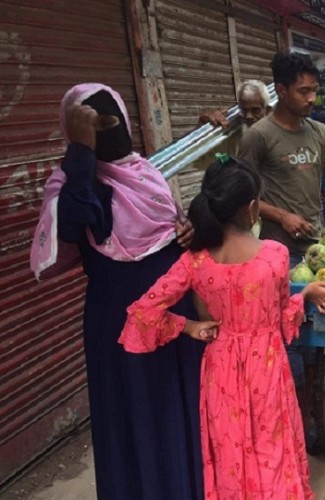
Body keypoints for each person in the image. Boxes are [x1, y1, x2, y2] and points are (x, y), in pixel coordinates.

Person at [119, 157, 325, 499]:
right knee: (272, 450)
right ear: (252, 209)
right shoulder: (275, 255)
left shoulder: (195, 262)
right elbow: (282, 318)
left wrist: (188, 326)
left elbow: (142, 313)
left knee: (230, 453)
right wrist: (307, 294)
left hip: (220, 370)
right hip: (266, 368)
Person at [29, 83, 204, 499]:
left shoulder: (146, 173)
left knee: (181, 409)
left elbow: (170, 226)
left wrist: (189, 229)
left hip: (175, 314)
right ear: (73, 133)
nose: (102, 133)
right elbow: (75, 221)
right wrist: (82, 157)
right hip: (121, 325)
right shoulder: (71, 182)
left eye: (108, 123)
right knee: (135, 418)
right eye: (87, 127)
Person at [238, 51, 325, 447]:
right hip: (275, 251)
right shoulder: (259, 136)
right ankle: (293, 421)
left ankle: (315, 407)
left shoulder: (319, 133)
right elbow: (241, 193)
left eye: (314, 91)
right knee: (291, 342)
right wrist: (281, 215)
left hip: (319, 248)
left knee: (320, 333)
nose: (311, 99)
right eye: (303, 91)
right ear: (280, 91)